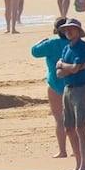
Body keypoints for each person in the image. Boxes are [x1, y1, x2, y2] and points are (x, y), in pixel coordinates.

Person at [54, 18, 85, 170]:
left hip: (81, 89)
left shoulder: (83, 47)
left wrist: (64, 66)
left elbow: (75, 68)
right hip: (68, 89)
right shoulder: (66, 48)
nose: (68, 32)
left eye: (71, 29)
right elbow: (58, 73)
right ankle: (78, 165)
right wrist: (68, 68)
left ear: (78, 31)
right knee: (69, 128)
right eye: (66, 30)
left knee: (81, 128)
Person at [29, 18, 74, 159]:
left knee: (59, 120)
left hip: (55, 83)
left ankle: (62, 151)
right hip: (72, 83)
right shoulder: (74, 44)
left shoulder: (51, 44)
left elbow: (34, 52)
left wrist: (40, 41)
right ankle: (75, 149)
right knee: (74, 119)